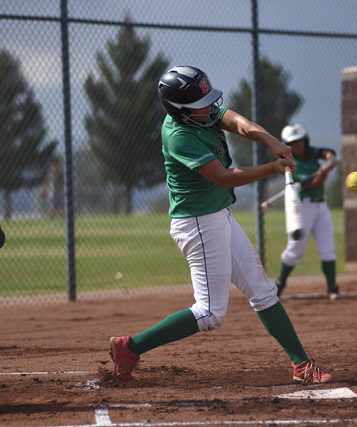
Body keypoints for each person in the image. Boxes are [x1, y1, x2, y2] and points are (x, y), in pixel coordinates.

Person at [108, 66, 336, 385]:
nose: (209, 108)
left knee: (262, 289)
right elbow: (223, 177)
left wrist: (271, 141)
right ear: (182, 112)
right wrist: (272, 167)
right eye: (201, 104)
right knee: (210, 313)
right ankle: (130, 347)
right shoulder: (179, 135)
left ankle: (302, 365)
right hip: (198, 224)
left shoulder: (199, 112)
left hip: (217, 216)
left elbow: (237, 123)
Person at [273, 124, 341, 300]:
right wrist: (324, 172)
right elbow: (314, 184)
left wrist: (330, 159)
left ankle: (332, 288)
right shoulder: (290, 165)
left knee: (328, 249)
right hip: (301, 208)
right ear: (287, 145)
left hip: (321, 206)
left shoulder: (310, 151)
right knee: (295, 251)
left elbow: (326, 152)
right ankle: (279, 284)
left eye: (300, 141)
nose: (298, 146)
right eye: (293, 143)